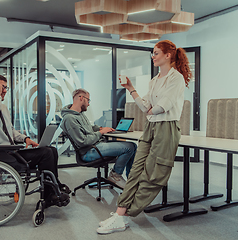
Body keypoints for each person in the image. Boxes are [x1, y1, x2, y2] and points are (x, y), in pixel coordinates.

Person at [96, 40, 192, 234]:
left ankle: (125, 214)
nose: (153, 56)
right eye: (152, 53)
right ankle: (120, 213)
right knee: (136, 172)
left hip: (166, 128)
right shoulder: (154, 80)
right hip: (152, 127)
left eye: (156, 53)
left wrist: (149, 108)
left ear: (168, 55)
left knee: (154, 175)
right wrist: (131, 88)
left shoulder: (177, 79)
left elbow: (160, 107)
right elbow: (145, 108)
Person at [0, 74, 70, 208]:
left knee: (51, 150)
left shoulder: (3, 107)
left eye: (5, 87)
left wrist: (25, 139)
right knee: (46, 153)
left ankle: (55, 187)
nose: (5, 91)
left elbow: (11, 131)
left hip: (11, 151)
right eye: (2, 87)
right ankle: (51, 194)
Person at [60, 89, 137, 189]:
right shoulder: (70, 118)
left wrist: (100, 128)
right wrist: (101, 132)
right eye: (88, 100)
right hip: (89, 151)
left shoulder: (79, 114)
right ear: (81, 98)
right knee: (129, 147)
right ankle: (115, 175)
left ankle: (131, 181)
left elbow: (88, 128)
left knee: (133, 146)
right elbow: (83, 141)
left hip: (96, 146)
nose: (88, 104)